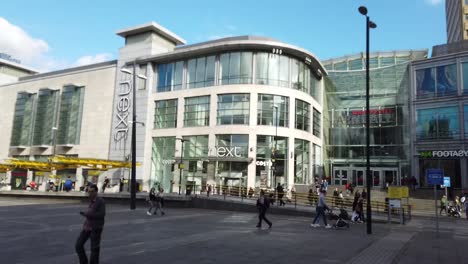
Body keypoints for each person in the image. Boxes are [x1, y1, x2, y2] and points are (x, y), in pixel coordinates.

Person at [75, 184, 105, 264]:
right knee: (78, 245)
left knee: (94, 249)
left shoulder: (100, 201)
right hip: (87, 227)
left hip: (95, 228)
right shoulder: (92, 201)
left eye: (92, 192)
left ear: (96, 192)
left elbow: (102, 214)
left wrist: (88, 214)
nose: (90, 194)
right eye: (88, 192)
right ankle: (83, 262)